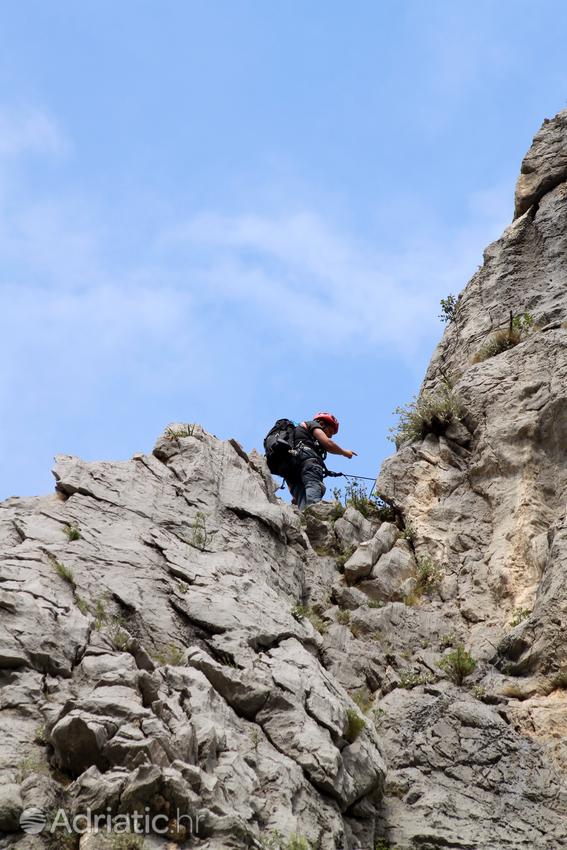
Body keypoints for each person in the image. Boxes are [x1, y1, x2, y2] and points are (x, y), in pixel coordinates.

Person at [286, 412, 357, 511]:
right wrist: (345, 452)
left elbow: (288, 477)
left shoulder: (294, 436)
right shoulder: (312, 424)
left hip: (292, 469)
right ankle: (316, 515)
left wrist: (294, 495)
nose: (330, 436)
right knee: (313, 491)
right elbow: (328, 443)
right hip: (309, 463)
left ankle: (306, 520)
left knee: (303, 503)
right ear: (322, 424)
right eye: (330, 431)